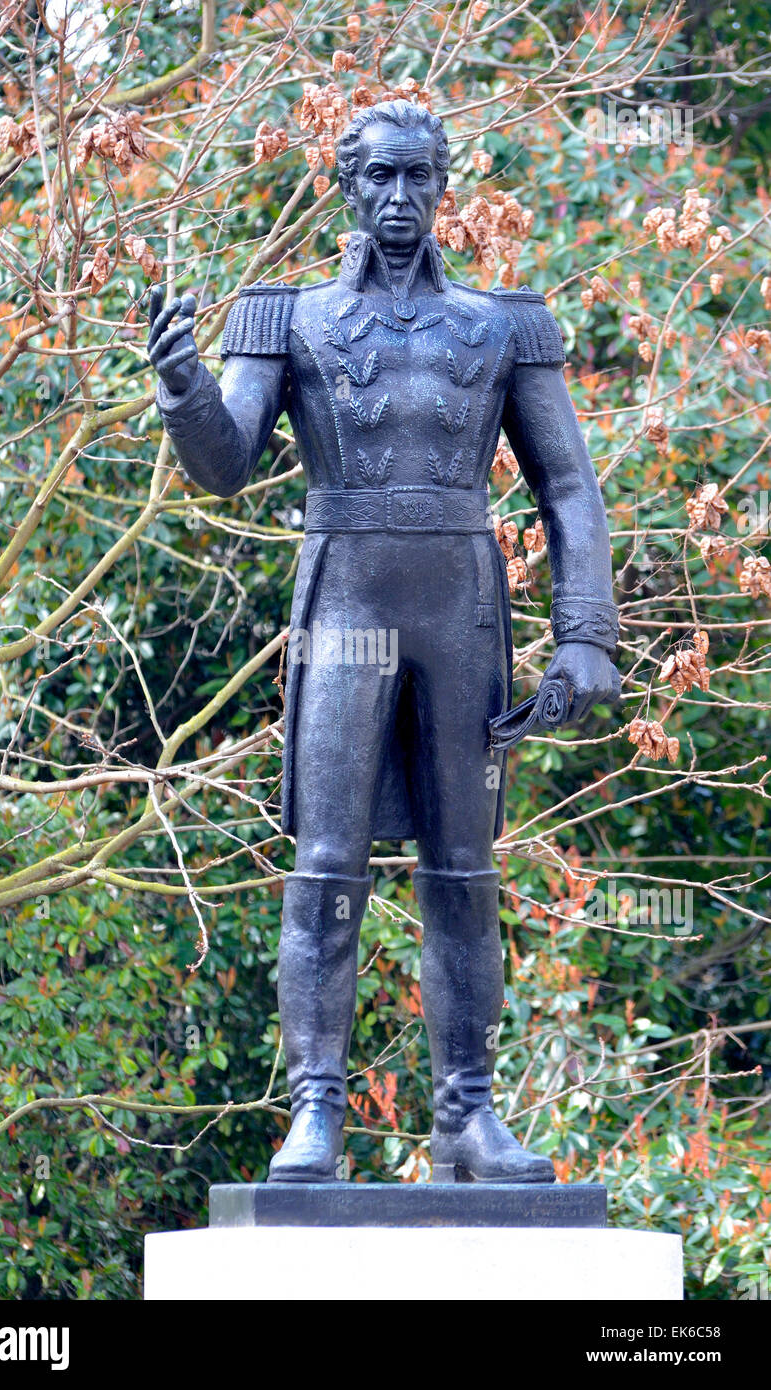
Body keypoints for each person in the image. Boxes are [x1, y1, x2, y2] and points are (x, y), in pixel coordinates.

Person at [148, 99, 619, 1184]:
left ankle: (466, 1111)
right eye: (379, 179)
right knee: (325, 868)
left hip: (460, 605)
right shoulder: (291, 318)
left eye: (418, 176)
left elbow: (566, 486)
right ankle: (315, 1109)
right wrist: (181, 387)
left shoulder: (503, 323)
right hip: (348, 605)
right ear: (346, 188)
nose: (399, 197)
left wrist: (584, 633)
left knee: (463, 867)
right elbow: (226, 463)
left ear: (442, 184)